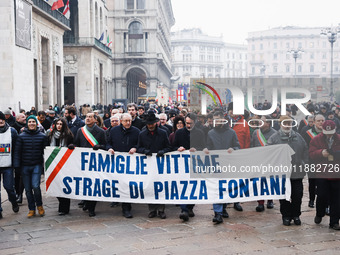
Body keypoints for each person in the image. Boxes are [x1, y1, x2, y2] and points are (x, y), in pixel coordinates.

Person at [267, 115, 308, 226]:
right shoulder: (274, 138)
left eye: (289, 123)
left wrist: (304, 164)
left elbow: (305, 151)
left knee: (297, 195)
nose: (287, 126)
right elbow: (268, 153)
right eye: (285, 123)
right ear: (280, 124)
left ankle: (296, 215)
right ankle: (286, 216)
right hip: (282, 174)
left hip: (297, 172)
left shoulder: (298, 137)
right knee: (284, 196)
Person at [205, 111, 240, 224]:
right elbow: (208, 146)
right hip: (215, 165)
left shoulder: (231, 132)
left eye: (217, 119)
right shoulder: (210, 133)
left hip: (228, 165)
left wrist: (233, 149)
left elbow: (237, 146)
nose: (215, 122)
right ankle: (218, 213)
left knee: (226, 188)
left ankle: (223, 208)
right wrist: (206, 150)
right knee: (216, 188)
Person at [137, 111, 172, 219]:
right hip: (148, 164)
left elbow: (169, 147)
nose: (151, 126)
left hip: (160, 164)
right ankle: (152, 209)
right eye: (149, 124)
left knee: (161, 187)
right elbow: (138, 147)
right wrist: (144, 151)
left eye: (152, 124)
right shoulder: (142, 134)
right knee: (150, 187)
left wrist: (163, 151)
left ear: (156, 123)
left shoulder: (163, 133)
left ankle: (161, 210)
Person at [72, 112, 106, 217]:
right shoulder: (80, 131)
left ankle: (92, 208)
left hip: (95, 163)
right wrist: (72, 146)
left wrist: (99, 146)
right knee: (85, 184)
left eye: (90, 117)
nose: (88, 119)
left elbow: (105, 145)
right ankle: (86, 202)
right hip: (83, 162)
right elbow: (77, 143)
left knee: (94, 185)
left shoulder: (100, 132)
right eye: (87, 117)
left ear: (95, 120)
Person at [173, 113, 206, 221]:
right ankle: (184, 209)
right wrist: (178, 148)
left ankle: (190, 207)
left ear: (195, 122)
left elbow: (203, 146)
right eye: (186, 123)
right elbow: (172, 146)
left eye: (190, 123)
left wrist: (197, 149)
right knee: (182, 185)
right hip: (181, 164)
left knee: (193, 185)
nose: (188, 125)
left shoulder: (200, 133)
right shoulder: (179, 133)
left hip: (194, 163)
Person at [14, 115, 48, 218]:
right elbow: (17, 152)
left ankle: (40, 206)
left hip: (36, 165)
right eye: (30, 122)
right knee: (28, 189)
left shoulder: (42, 136)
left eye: (33, 121)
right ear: (27, 124)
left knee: (36, 186)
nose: (31, 123)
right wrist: (16, 166)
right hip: (25, 166)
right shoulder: (21, 136)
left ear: (36, 123)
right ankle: (31, 208)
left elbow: (45, 151)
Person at [107, 113, 140, 218]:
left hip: (130, 163)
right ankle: (116, 200)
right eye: (126, 121)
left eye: (130, 121)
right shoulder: (113, 131)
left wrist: (135, 148)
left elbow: (140, 144)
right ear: (121, 121)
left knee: (127, 185)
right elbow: (108, 143)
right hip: (117, 162)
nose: (128, 123)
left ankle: (126, 208)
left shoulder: (136, 131)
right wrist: (109, 148)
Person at [309, 120, 340, 230]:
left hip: (336, 173)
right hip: (322, 173)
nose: (329, 135)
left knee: (336, 198)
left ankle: (334, 221)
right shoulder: (316, 139)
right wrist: (321, 153)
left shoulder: (338, 139)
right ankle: (319, 213)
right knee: (321, 195)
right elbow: (311, 154)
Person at [47, 118, 74, 215]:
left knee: (64, 185)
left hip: (64, 164)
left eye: (60, 124)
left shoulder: (69, 136)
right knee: (56, 185)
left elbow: (73, 146)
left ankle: (64, 208)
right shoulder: (50, 135)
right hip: (53, 164)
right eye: (57, 124)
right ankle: (62, 205)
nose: (58, 126)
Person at [251, 115, 277, 212]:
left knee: (270, 182)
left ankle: (270, 200)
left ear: (268, 123)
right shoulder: (255, 133)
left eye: (263, 121)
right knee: (260, 182)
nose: (260, 122)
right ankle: (260, 203)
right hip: (259, 161)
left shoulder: (275, 133)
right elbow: (252, 146)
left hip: (271, 162)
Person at [301, 114, 325, 208]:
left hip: (324, 163)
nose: (321, 122)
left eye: (322, 120)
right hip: (311, 161)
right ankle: (311, 199)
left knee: (323, 183)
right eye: (318, 121)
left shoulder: (328, 133)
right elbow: (304, 148)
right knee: (312, 182)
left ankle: (324, 203)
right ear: (314, 122)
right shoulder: (307, 133)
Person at [0, 112, 19, 219]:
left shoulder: (12, 131)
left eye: (2, 119)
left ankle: (13, 201)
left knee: (8, 187)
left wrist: (16, 163)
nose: (0, 121)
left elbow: (17, 148)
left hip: (8, 165)